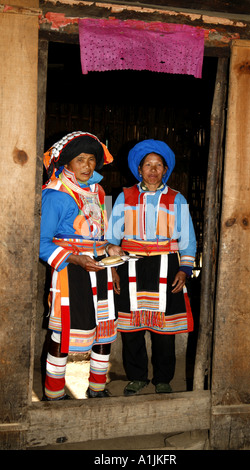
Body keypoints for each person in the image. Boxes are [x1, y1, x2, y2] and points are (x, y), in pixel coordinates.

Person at [106, 139, 196, 395]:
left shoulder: (177, 198)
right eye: (148, 165)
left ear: (165, 170)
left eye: (158, 165)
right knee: (131, 328)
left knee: (164, 328)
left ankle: (163, 378)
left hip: (166, 266)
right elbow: (111, 238)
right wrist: (112, 267)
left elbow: (188, 238)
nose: (153, 170)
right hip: (130, 265)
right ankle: (136, 377)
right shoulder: (123, 195)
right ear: (140, 169)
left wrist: (184, 269)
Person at [40, 131, 124, 400]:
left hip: (99, 270)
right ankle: (54, 394)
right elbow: (40, 242)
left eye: (91, 160)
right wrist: (76, 258)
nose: (87, 166)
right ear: (66, 163)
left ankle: (98, 388)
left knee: (104, 331)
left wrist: (110, 248)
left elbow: (101, 234)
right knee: (63, 333)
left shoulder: (98, 191)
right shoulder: (54, 195)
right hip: (70, 272)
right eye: (80, 160)